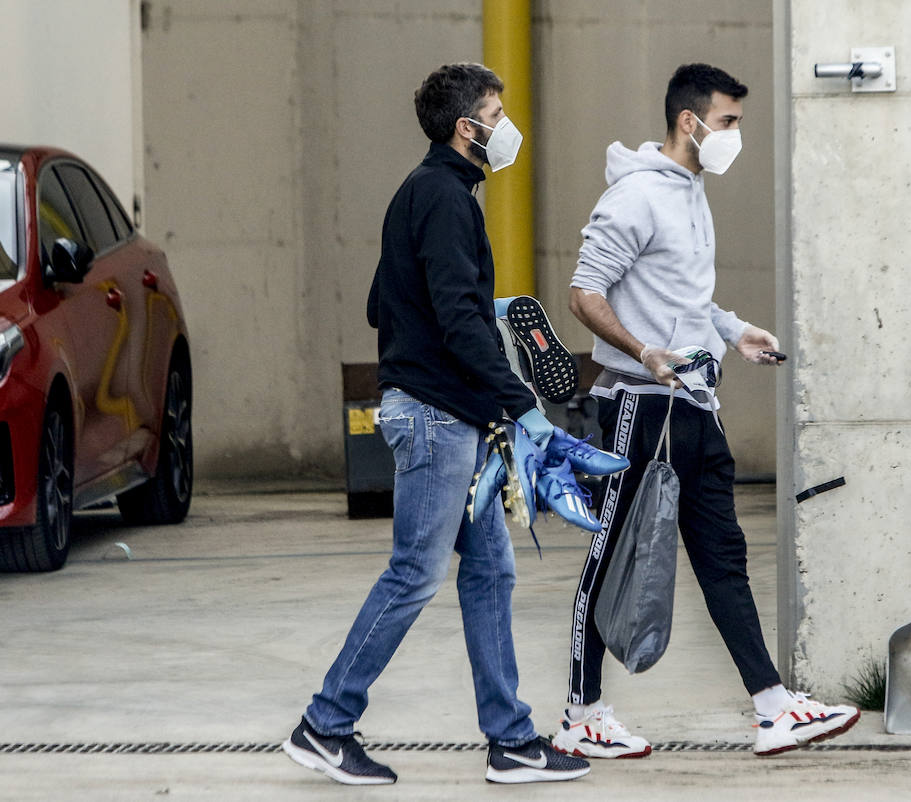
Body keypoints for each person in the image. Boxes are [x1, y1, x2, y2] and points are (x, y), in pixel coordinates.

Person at [281, 62, 589, 786]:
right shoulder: (445, 198)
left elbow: (381, 304)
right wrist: (521, 404)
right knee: (415, 573)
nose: (506, 125)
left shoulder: (422, 195)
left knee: (489, 573)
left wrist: (474, 314)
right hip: (434, 421)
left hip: (451, 417)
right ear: (467, 127)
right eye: (496, 111)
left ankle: (510, 740)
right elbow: (450, 315)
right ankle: (325, 724)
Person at [555, 63, 859, 760]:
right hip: (637, 406)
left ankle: (774, 708)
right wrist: (644, 350)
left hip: (694, 405)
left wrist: (730, 329)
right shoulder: (635, 197)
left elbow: (681, 293)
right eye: (728, 123)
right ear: (689, 122)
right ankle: (580, 713)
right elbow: (584, 292)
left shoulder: (690, 190)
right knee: (611, 560)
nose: (734, 137)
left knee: (724, 557)